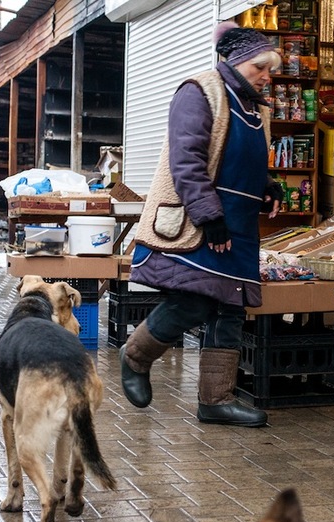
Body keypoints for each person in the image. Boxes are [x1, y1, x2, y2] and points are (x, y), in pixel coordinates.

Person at [120, 21, 284, 427]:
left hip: (240, 226)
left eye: (270, 70)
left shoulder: (254, 107)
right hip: (203, 222)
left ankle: (216, 400)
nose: (267, 76)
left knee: (231, 308)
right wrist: (209, 216)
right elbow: (187, 160)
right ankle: (135, 357)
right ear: (238, 59)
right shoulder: (200, 91)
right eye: (260, 67)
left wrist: (269, 185)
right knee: (194, 301)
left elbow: (245, 158)